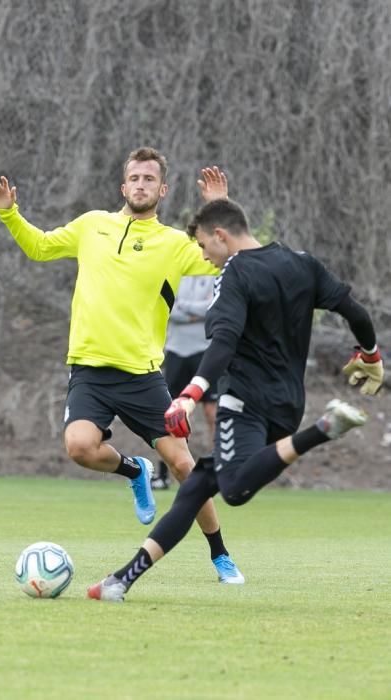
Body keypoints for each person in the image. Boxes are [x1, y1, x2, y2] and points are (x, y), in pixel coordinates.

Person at [86, 197, 384, 602]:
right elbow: (355, 312)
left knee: (234, 488)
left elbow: (223, 342)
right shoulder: (302, 263)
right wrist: (369, 355)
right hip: (287, 405)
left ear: (220, 236)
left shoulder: (235, 273)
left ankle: (324, 429)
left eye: (206, 248)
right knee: (197, 486)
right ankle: (120, 581)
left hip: (244, 402)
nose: (206, 259)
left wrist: (190, 395)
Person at [0, 150, 244, 584]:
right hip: (88, 370)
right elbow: (40, 246)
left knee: (185, 467)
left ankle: (220, 554)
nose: (141, 184)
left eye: (149, 179)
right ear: (123, 186)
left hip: (142, 376)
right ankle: (135, 470)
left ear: (162, 191)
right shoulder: (91, 225)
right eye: (134, 178)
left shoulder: (176, 244)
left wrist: (221, 208)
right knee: (79, 447)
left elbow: (231, 256)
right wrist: (9, 213)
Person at [152, 275, 217, 490]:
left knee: (212, 413)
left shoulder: (212, 272)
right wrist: (193, 312)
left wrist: (185, 307)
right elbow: (169, 308)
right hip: (176, 351)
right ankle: (163, 475)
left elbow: (212, 307)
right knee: (171, 413)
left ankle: (220, 471)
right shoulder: (175, 274)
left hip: (204, 352)